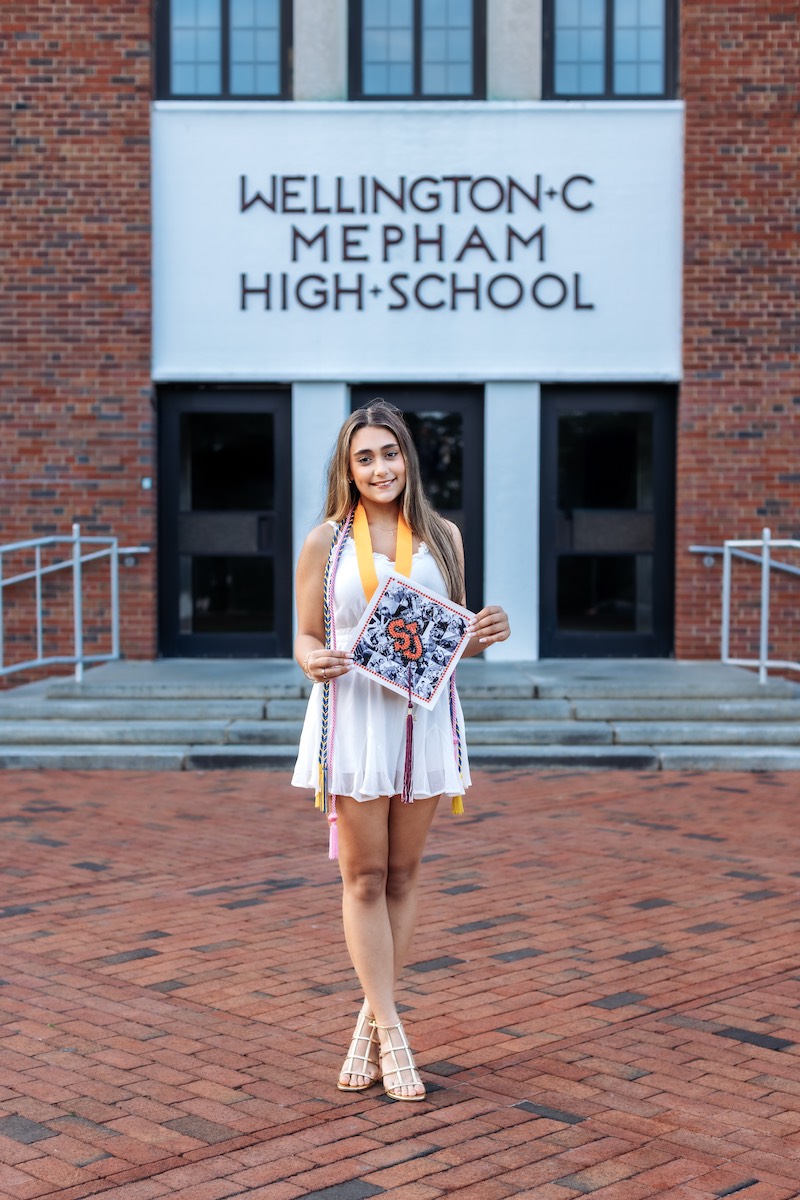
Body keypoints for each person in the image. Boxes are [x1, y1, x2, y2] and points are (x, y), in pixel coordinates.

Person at [292, 400, 510, 1102]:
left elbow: (452, 636)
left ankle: (367, 1023)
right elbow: (303, 634)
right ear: (348, 468)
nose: (380, 467)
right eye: (365, 457)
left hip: (423, 719)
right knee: (363, 877)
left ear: (407, 460)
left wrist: (485, 632)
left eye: (390, 453)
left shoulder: (443, 536)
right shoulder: (325, 541)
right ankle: (394, 1031)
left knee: (404, 877)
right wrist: (311, 659)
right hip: (354, 718)